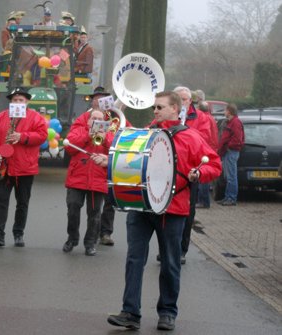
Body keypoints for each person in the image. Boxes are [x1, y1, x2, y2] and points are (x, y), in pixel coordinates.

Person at [104, 91, 221, 330]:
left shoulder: (191, 137)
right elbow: (124, 156)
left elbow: (214, 164)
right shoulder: (147, 134)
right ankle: (130, 312)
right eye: (154, 108)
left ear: (175, 109)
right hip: (141, 205)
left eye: (160, 107)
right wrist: (109, 159)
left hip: (173, 207)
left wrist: (199, 173)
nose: (155, 111)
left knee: (170, 262)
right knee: (134, 259)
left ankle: (167, 312)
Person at [70, 86, 132, 246]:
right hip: (84, 169)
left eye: (102, 98)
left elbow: (127, 142)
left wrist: (108, 136)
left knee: (107, 203)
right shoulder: (84, 118)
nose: (98, 101)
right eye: (96, 98)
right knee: (87, 208)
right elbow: (71, 144)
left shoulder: (117, 117)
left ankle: (105, 233)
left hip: (109, 166)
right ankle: (79, 238)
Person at [0, 87, 47, 247]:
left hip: (25, 167)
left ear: (27, 102)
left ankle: (18, 233)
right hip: (4, 166)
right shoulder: (0, 117)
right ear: (11, 102)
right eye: (15, 100)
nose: (18, 102)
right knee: (1, 200)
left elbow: (42, 136)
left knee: (22, 202)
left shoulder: (35, 117)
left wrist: (22, 137)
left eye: (21, 100)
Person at [63, 108, 114, 256]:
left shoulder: (109, 134)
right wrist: (87, 135)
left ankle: (90, 243)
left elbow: (115, 151)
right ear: (88, 120)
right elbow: (69, 148)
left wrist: (104, 139)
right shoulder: (79, 130)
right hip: (77, 177)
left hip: (97, 179)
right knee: (72, 209)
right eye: (94, 119)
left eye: (100, 119)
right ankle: (72, 238)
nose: (96, 122)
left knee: (94, 214)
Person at [172, 86, 213, 264]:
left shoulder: (201, 118)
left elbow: (204, 138)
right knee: (166, 211)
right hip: (169, 169)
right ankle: (168, 248)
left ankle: (181, 250)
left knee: (188, 212)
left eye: (185, 99)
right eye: (178, 99)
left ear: (190, 101)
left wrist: (182, 129)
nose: (182, 102)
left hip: (191, 172)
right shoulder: (168, 115)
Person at [218, 103, 244, 206]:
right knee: (228, 176)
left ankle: (231, 198)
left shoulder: (235, 122)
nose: (224, 112)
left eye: (225, 110)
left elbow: (237, 139)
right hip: (228, 151)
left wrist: (228, 146)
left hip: (231, 151)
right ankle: (227, 197)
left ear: (229, 111)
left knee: (231, 176)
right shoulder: (230, 122)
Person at [196, 99, 219, 209]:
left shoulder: (204, 119)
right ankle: (204, 201)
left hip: (207, 148)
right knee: (206, 176)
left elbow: (206, 135)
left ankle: (204, 201)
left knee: (203, 176)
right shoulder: (211, 118)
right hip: (212, 147)